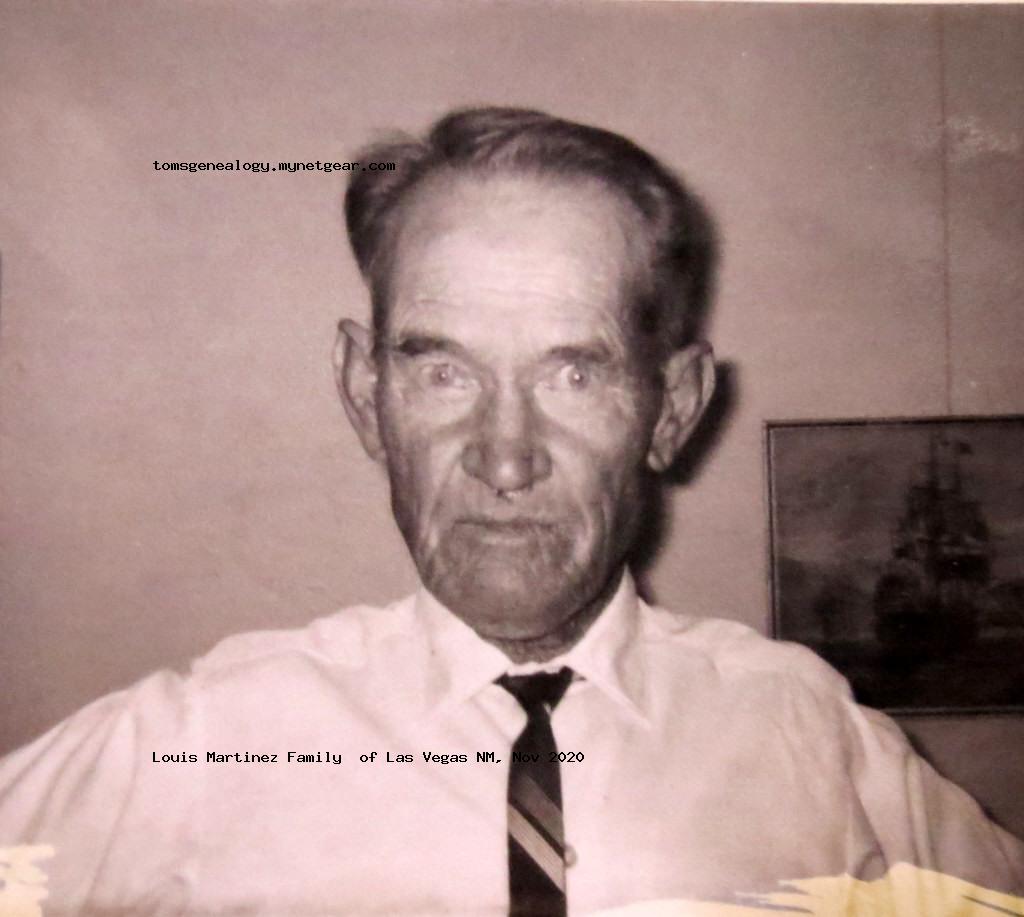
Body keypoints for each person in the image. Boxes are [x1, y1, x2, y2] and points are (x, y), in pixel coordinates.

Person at [1, 106, 1022, 916]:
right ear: (365, 391)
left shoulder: (810, 739)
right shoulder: (196, 739)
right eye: (443, 370)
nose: (504, 455)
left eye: (574, 374)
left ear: (671, 408)